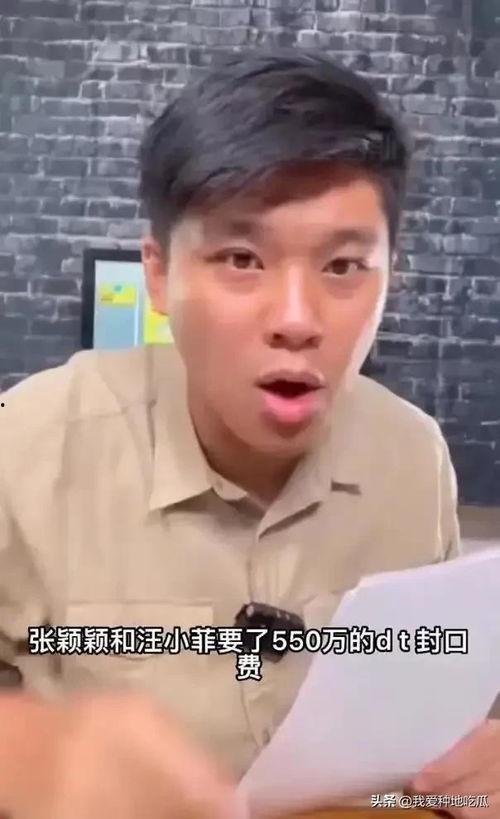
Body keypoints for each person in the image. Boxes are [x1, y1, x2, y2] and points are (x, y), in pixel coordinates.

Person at [0, 48, 498, 819]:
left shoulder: (412, 456)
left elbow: (426, 725)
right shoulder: (27, 447)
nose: (297, 320)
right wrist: (28, 753)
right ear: (159, 275)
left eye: (344, 266)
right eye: (242, 258)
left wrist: (471, 769)